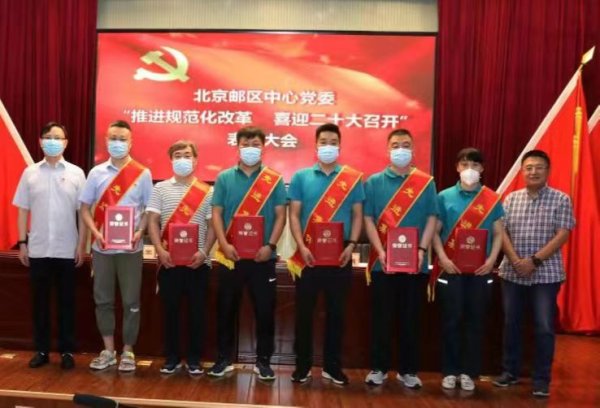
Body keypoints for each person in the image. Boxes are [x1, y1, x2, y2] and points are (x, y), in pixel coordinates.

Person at [493, 149, 575, 398]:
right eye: (528, 168)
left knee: (544, 326)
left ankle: (541, 380)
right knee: (511, 324)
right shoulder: (511, 199)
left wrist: (534, 261)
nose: (533, 172)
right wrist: (516, 260)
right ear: (522, 171)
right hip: (512, 272)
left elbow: (563, 234)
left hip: (546, 275)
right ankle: (510, 372)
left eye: (539, 167)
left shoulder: (561, 199)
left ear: (548, 171)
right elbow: (502, 232)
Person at [288, 123, 365, 385]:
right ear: (316, 145)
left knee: (336, 314)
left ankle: (332, 366)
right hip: (308, 252)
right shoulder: (301, 177)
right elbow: (294, 215)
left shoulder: (351, 178)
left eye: (333, 142)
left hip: (341, 253)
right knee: (304, 314)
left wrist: (351, 245)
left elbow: (357, 215)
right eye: (323, 141)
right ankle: (302, 366)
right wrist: (302, 246)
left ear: (339, 146)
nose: (328, 146)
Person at [208, 126, 286, 381]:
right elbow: (217, 213)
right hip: (230, 256)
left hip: (263, 258)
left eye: (255, 144)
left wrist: (270, 246)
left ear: (263, 147)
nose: (250, 148)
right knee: (225, 309)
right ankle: (223, 359)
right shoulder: (224, 178)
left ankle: (263, 362)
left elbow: (281, 215)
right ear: (238, 147)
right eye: (245, 144)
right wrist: (223, 244)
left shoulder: (274, 179)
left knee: (265, 311)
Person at [362, 128, 437, 389]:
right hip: (382, 264)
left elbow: (432, 218)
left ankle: (408, 371)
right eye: (395, 145)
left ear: (413, 149)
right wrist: (380, 251)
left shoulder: (426, 182)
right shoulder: (374, 182)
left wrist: (421, 249)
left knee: (411, 319)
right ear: (388, 149)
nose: (400, 149)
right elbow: (368, 219)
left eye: (405, 145)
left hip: (416, 264)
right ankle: (379, 368)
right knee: (381, 319)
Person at [79, 120, 153, 372]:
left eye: (122, 139)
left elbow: (149, 211)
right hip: (102, 249)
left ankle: (128, 351)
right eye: (113, 138)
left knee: (131, 301)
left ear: (131, 143)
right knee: (103, 300)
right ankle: (108, 350)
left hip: (131, 249)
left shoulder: (142, 173)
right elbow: (85, 209)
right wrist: (95, 233)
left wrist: (140, 232)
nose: (117, 143)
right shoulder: (96, 173)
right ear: (106, 141)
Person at [13, 121, 86, 369]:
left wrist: (82, 245)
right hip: (38, 249)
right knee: (40, 304)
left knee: (67, 303)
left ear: (65, 143)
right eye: (48, 137)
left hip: (67, 249)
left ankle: (67, 351)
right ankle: (42, 350)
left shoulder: (77, 173)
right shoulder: (30, 173)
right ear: (40, 141)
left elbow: (83, 213)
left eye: (58, 137)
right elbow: (23, 210)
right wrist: (22, 243)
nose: (52, 141)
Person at [432, 148, 504, 391]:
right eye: (464, 164)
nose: (469, 169)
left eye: (474, 165)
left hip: (481, 272)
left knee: (475, 322)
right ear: (457, 167)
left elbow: (498, 234)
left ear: (482, 168)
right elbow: (435, 232)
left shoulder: (492, 198)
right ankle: (450, 371)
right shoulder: (444, 196)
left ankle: (469, 372)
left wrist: (491, 261)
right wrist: (443, 258)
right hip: (451, 270)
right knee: (451, 321)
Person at [146, 140, 215, 375]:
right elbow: (152, 222)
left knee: (197, 313)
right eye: (178, 155)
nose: (183, 159)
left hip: (198, 263)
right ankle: (172, 358)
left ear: (195, 160)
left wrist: (204, 252)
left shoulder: (208, 191)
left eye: (187, 155)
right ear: (171, 160)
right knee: (170, 313)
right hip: (169, 262)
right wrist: (159, 249)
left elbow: (212, 226)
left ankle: (194, 359)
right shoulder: (160, 188)